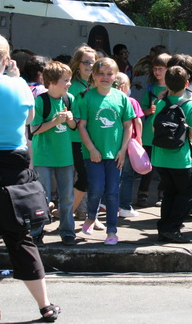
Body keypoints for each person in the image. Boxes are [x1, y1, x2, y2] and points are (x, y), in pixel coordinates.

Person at [0, 33, 61, 323]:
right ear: (7, 60)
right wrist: (14, 77)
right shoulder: (19, 85)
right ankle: (45, 306)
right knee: (20, 238)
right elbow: (30, 119)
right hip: (13, 171)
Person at [76, 58, 135, 245]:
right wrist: (91, 149)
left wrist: (123, 150)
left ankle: (112, 231)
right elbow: (82, 126)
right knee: (96, 188)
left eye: (109, 74)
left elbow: (128, 126)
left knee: (112, 192)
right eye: (101, 73)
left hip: (115, 154)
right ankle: (91, 216)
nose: (105, 77)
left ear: (115, 76)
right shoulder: (86, 97)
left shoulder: (122, 98)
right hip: (93, 154)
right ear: (93, 75)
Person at [29, 61, 77, 247]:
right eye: (66, 80)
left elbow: (74, 127)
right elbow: (35, 129)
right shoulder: (40, 101)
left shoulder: (69, 99)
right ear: (53, 82)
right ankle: (36, 232)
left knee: (67, 197)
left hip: (65, 156)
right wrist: (56, 120)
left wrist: (71, 121)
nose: (69, 84)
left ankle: (67, 231)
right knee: (42, 197)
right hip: (44, 156)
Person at [152, 66, 192, 243]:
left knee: (170, 193)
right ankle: (172, 228)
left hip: (160, 157)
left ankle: (164, 228)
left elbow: (153, 128)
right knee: (188, 192)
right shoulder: (189, 105)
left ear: (166, 83)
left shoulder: (160, 104)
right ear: (187, 84)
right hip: (181, 159)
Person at [67, 45, 101, 225]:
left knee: (94, 179)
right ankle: (67, 213)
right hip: (76, 139)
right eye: (85, 62)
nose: (89, 65)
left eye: (93, 62)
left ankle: (90, 216)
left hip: (97, 138)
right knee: (86, 177)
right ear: (77, 64)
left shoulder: (99, 83)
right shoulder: (71, 86)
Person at [137, 53, 171, 208]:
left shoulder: (173, 88)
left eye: (160, 69)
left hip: (165, 133)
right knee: (147, 167)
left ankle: (163, 194)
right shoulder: (151, 88)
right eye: (155, 69)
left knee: (164, 167)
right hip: (150, 134)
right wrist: (149, 111)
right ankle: (142, 194)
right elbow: (141, 111)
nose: (157, 72)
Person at [113, 72, 143, 218]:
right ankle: (125, 206)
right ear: (125, 86)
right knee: (127, 176)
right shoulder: (131, 101)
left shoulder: (109, 100)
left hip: (111, 143)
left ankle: (106, 203)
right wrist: (139, 138)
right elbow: (137, 121)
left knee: (112, 175)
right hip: (128, 144)